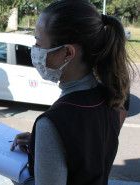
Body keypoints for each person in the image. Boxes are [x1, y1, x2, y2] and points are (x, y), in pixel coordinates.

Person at [10, 0, 132, 185]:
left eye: (38, 43)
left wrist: (19, 177)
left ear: (68, 53)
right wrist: (41, 145)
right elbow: (87, 151)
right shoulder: (112, 94)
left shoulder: (53, 122)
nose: (35, 51)